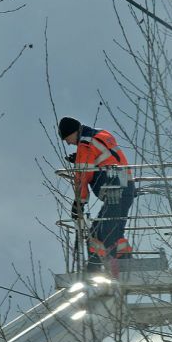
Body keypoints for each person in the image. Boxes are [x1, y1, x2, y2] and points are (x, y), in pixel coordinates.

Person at [58, 116, 135, 274]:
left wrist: (79, 203)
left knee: (98, 233)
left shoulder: (85, 144)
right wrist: (79, 158)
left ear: (74, 132)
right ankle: (125, 262)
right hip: (127, 187)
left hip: (114, 191)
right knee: (115, 231)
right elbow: (106, 156)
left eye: (67, 138)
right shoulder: (101, 134)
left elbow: (82, 176)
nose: (68, 143)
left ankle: (94, 269)